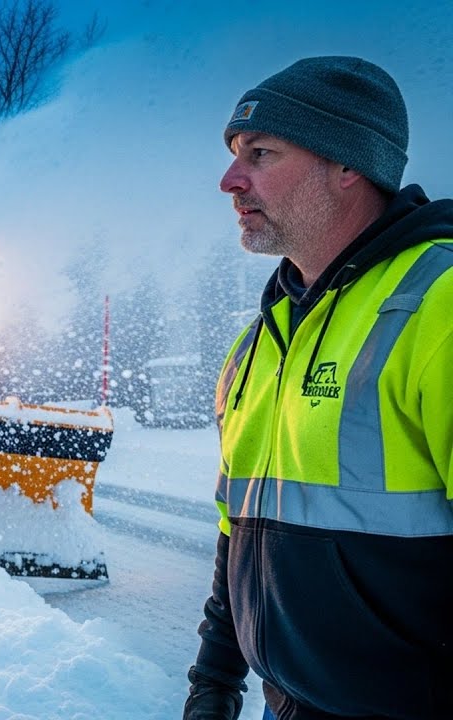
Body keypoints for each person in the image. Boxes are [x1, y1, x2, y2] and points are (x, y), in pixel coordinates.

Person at [184, 57, 453, 720]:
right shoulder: (257, 346)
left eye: (262, 153)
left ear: (348, 163)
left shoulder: (438, 307)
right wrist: (214, 683)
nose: (229, 180)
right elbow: (238, 529)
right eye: (232, 154)